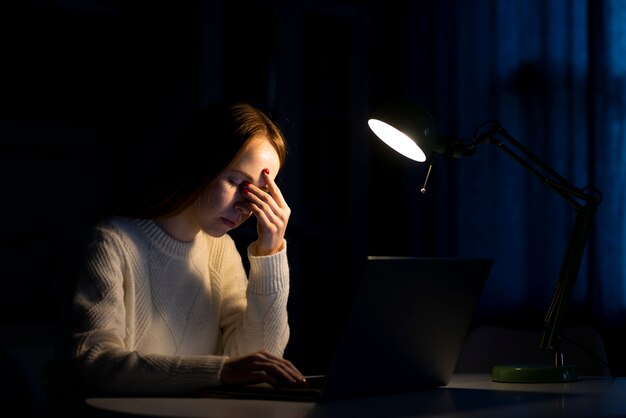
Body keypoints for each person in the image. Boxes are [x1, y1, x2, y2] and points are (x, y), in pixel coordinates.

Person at [65, 100, 306, 398]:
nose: (247, 206)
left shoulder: (221, 250)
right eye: (238, 182)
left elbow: (259, 359)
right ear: (199, 164)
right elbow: (91, 363)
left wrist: (270, 253)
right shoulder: (115, 241)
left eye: (261, 191)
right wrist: (220, 371)